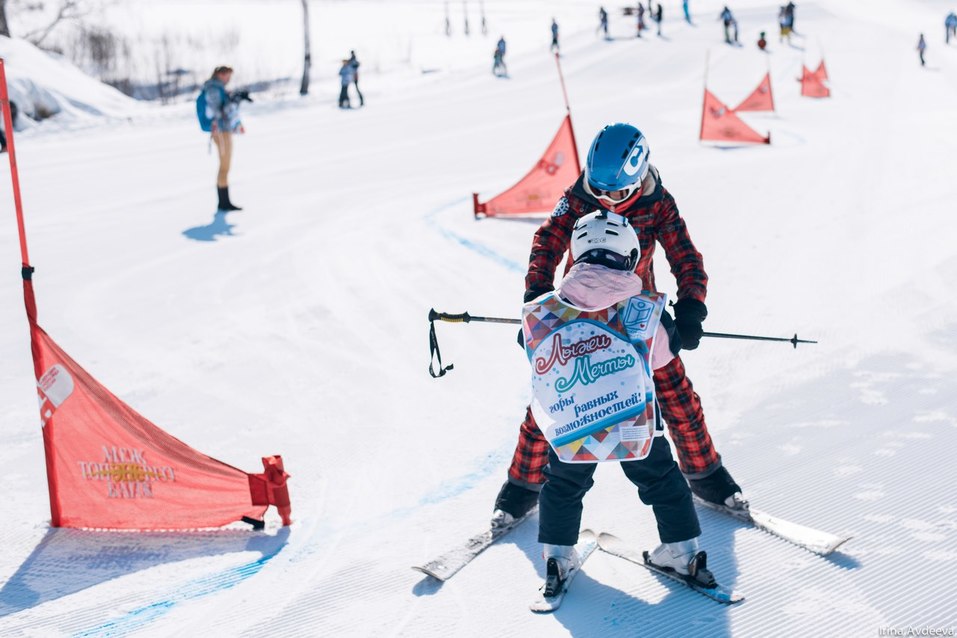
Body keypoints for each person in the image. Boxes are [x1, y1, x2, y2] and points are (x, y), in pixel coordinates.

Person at [492, 123, 746, 529]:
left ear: (639, 177)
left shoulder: (658, 203)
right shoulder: (577, 199)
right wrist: (536, 302)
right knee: (556, 398)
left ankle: (705, 474)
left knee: (676, 395)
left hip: (637, 318)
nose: (605, 200)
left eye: (616, 194)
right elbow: (547, 245)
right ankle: (523, 484)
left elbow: (685, 257)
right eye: (598, 190)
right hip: (579, 313)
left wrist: (691, 307)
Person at [528, 210, 716, 598]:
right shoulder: (646, 309)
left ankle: (557, 558)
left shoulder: (545, 310)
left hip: (574, 425)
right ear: (630, 255)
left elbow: (530, 350)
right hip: (634, 421)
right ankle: (683, 552)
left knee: (562, 485)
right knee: (662, 479)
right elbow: (664, 355)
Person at [200, 66, 248, 212]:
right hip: (220, 132)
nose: (229, 79)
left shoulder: (218, 88)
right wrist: (233, 101)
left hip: (224, 131)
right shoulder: (214, 89)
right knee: (224, 166)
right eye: (227, 76)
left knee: (225, 166)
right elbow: (219, 112)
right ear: (220, 74)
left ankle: (224, 201)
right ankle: (223, 202)